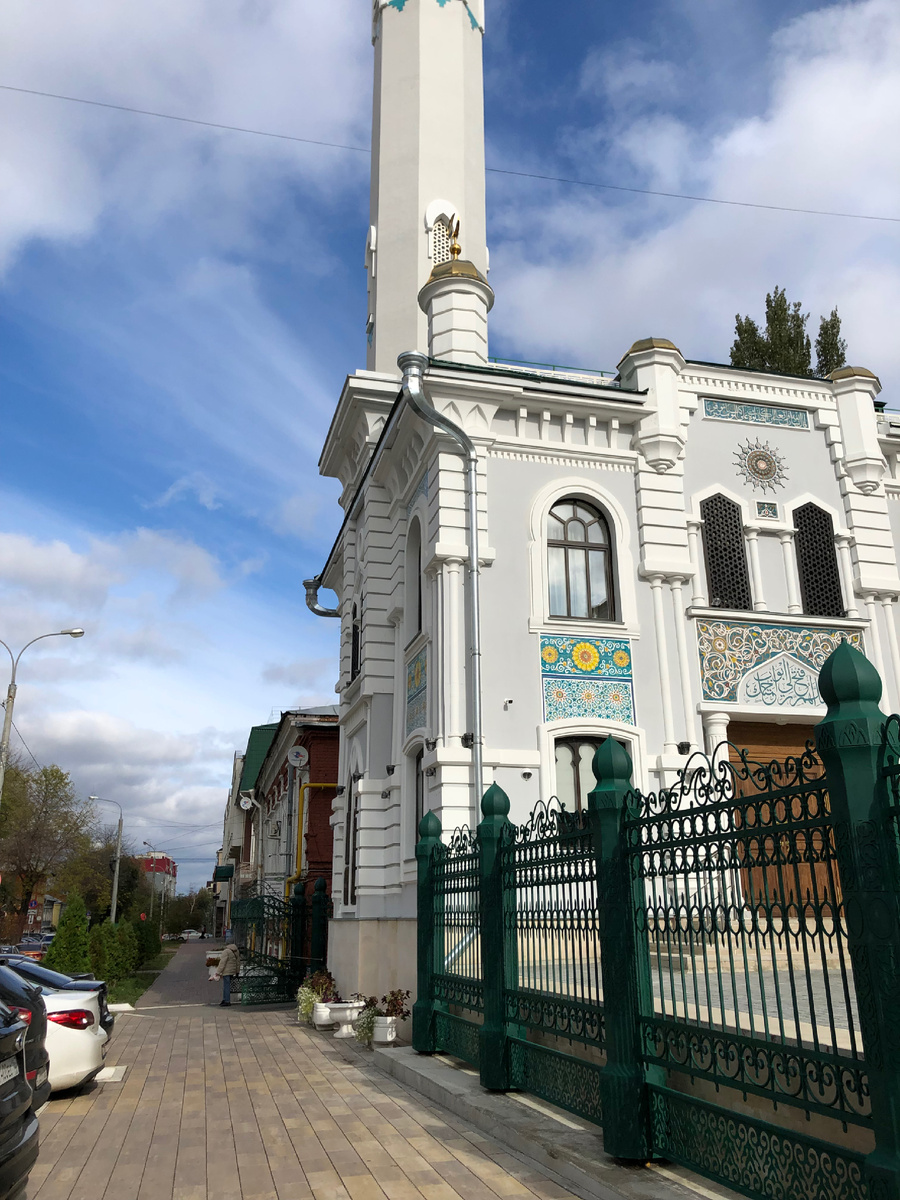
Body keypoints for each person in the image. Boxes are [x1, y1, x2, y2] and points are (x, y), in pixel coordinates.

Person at [214, 941, 240, 1007]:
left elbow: (222, 963)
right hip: (232, 972)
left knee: (226, 986)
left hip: (226, 972)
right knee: (227, 986)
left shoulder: (226, 951)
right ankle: (225, 999)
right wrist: (237, 972)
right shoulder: (236, 951)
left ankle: (226, 1001)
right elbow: (238, 963)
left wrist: (218, 972)